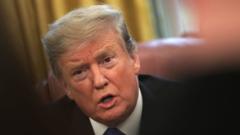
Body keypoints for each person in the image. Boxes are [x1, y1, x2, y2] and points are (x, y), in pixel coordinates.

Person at [41, 5, 231, 135]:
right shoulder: (44, 128)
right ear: (66, 86)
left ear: (133, 59)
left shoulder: (193, 109)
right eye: (80, 72)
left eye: (107, 60)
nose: (99, 81)